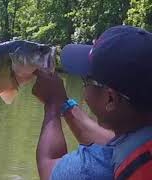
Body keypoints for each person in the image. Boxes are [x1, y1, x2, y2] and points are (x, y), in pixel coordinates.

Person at [32, 25, 152, 180]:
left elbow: (47, 166)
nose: (84, 88)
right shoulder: (139, 134)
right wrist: (64, 103)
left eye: (86, 80)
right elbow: (110, 141)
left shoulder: (94, 169)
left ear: (110, 99)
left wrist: (52, 106)